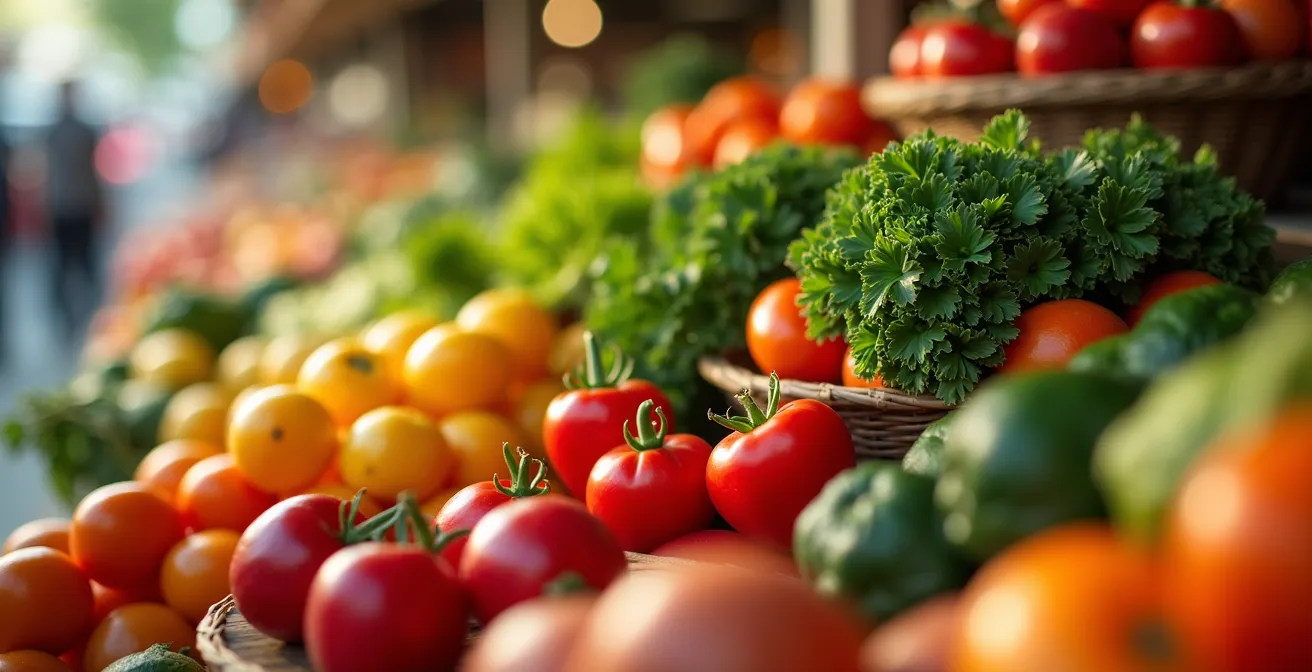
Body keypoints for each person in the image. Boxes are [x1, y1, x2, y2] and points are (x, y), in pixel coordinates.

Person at [43, 80, 104, 338]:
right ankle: (65, 317)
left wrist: (100, 202)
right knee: (61, 266)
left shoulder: (85, 130)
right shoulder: (51, 132)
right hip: (60, 207)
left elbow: (94, 170)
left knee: (86, 262)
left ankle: (89, 314)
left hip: (81, 205)